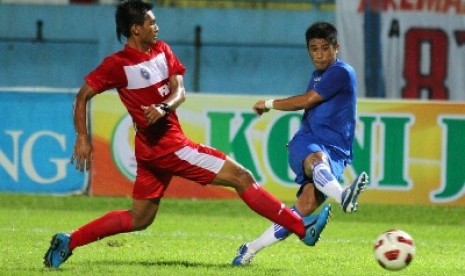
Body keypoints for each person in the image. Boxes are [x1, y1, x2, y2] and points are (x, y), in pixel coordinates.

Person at [42, 1, 343, 269]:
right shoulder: (117, 65)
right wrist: (82, 137)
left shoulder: (162, 49)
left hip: (151, 149)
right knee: (242, 177)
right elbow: (82, 96)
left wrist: (163, 106)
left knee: (140, 218)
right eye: (151, 22)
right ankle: (302, 229)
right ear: (136, 29)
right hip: (167, 146)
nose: (157, 27)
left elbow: (180, 90)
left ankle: (69, 241)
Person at [231, 21, 369, 266]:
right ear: (308, 51)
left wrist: (269, 103)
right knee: (317, 160)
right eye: (314, 49)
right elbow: (309, 104)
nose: (319, 54)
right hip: (311, 143)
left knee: (302, 209)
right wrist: (296, 141)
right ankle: (343, 196)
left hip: (336, 152)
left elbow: (308, 100)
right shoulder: (318, 75)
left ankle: (249, 249)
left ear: (336, 48)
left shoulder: (341, 71)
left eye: (325, 48)